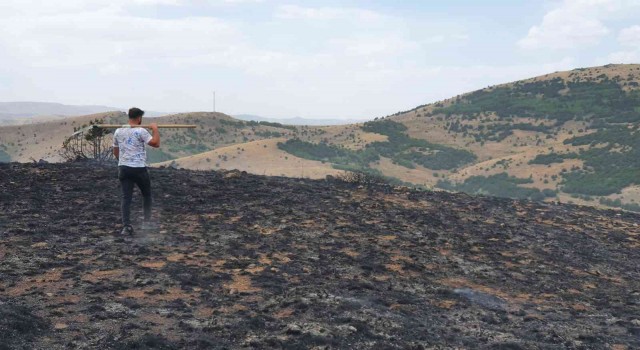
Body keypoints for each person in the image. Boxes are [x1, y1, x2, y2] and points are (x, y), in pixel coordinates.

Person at [112, 107, 160, 235]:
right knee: (146, 195)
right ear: (139, 118)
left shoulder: (118, 131)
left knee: (126, 198)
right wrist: (155, 129)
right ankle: (147, 223)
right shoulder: (141, 131)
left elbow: (115, 151)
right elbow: (155, 143)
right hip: (139, 168)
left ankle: (126, 227)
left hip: (124, 168)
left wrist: (123, 161)